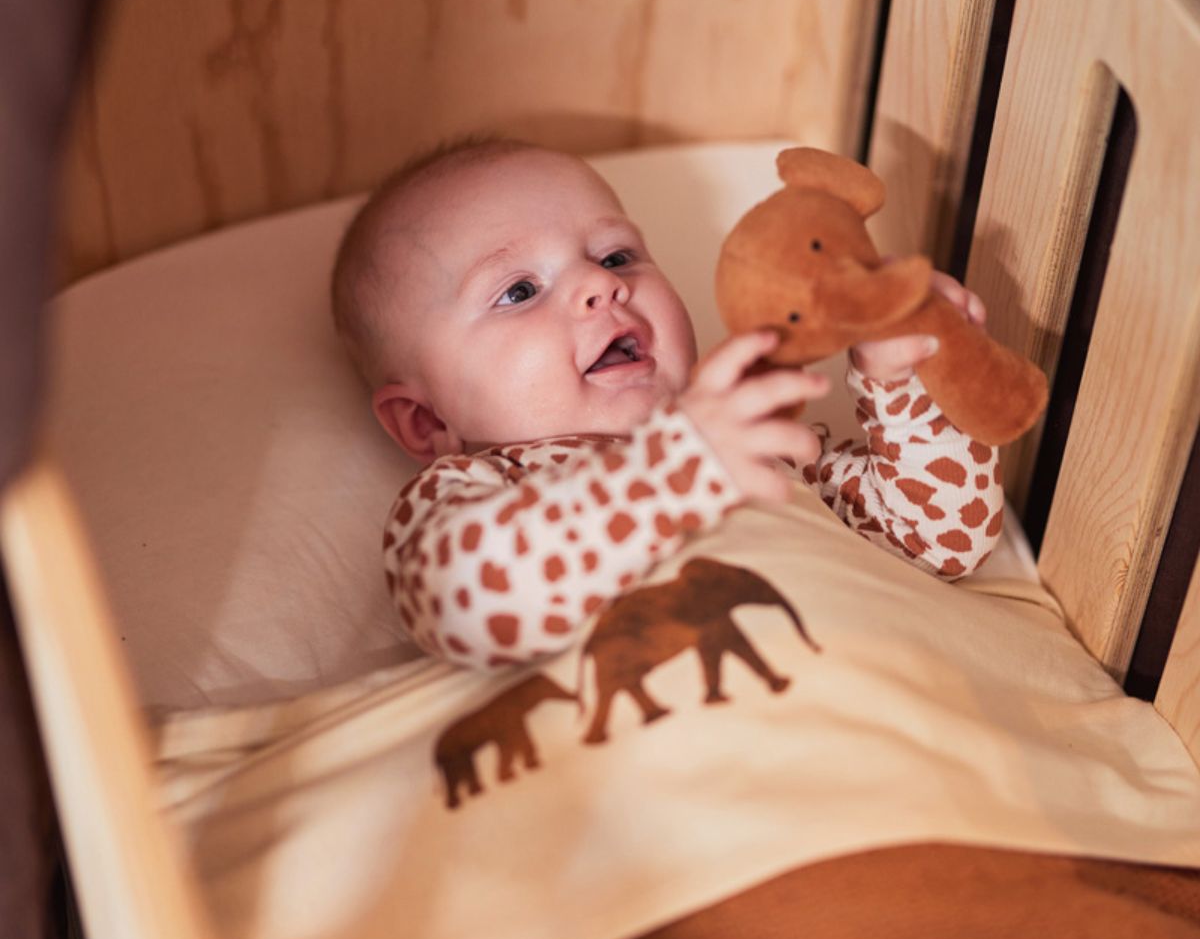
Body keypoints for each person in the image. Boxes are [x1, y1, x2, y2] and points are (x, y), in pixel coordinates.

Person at [331, 137, 1003, 670]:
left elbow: (942, 541)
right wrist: (674, 472)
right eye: (519, 291)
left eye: (618, 256)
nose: (600, 284)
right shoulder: (470, 495)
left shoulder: (755, 438)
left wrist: (902, 378)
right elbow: (464, 606)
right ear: (427, 421)